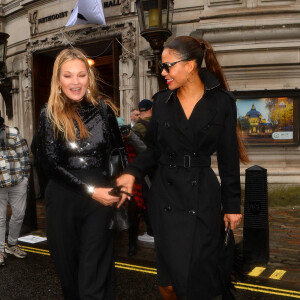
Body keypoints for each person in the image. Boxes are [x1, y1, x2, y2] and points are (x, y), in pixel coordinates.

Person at [117, 36, 249, 300]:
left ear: (190, 66)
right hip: (166, 198)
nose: (162, 72)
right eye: (160, 66)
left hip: (203, 197)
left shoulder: (222, 102)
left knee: (198, 276)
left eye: (168, 66)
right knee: (168, 282)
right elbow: (153, 149)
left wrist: (233, 206)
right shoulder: (162, 103)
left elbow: (228, 156)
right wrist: (132, 172)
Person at [36, 47, 123, 299]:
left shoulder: (104, 110)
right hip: (64, 198)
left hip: (100, 199)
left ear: (89, 77)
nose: (75, 82)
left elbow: (117, 152)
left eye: (81, 75)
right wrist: (90, 191)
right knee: (69, 276)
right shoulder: (48, 114)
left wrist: (122, 186)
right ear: (58, 79)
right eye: (68, 75)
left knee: (93, 277)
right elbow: (50, 164)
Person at [0, 114, 30, 266]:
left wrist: (25, 177)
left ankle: (12, 245)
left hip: (17, 181)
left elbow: (24, 155)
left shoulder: (12, 133)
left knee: (19, 214)